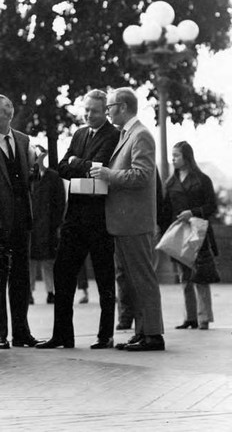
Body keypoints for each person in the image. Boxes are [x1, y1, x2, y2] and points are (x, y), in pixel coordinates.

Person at [36, 89, 120, 350]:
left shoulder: (113, 135)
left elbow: (101, 165)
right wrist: (80, 164)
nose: (88, 115)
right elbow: (61, 166)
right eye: (85, 110)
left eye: (94, 111)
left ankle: (105, 334)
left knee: (104, 278)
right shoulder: (79, 134)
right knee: (62, 273)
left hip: (100, 216)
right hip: (74, 216)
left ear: (105, 111)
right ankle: (62, 335)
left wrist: (77, 162)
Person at [91, 87, 165, 351]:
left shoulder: (140, 135)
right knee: (132, 280)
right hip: (124, 221)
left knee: (142, 278)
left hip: (134, 221)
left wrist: (108, 175)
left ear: (122, 107)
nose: (108, 111)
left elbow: (142, 176)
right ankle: (143, 332)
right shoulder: (129, 134)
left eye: (110, 106)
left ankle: (153, 335)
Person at [0, 94, 42, 349]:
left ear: (8, 114)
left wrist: (35, 170)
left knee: (21, 278)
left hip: (21, 218)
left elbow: (28, 178)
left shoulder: (22, 140)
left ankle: (21, 332)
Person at [161, 141, 218, 330]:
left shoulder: (203, 179)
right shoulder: (170, 182)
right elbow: (165, 211)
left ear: (187, 157)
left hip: (199, 232)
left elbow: (212, 206)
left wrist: (193, 212)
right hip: (179, 233)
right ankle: (190, 318)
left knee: (200, 275)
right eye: (172, 155)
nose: (173, 158)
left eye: (176, 155)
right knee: (184, 276)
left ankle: (203, 318)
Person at [115, 168, 165, 330]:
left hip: (137, 223)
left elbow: (156, 194)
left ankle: (136, 322)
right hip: (126, 222)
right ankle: (134, 321)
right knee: (125, 273)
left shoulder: (140, 157)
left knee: (132, 273)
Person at [29, 145, 66, 305]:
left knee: (48, 260)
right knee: (30, 261)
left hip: (48, 225)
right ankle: (28, 292)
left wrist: (57, 223)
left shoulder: (53, 177)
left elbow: (60, 202)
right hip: (31, 224)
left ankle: (50, 291)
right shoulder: (28, 176)